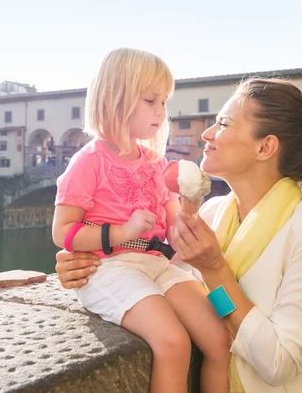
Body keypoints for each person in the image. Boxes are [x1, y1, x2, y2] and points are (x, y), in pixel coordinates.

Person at [55, 78, 302, 393]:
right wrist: (85, 265)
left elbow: (279, 362)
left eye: (223, 123)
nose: (207, 133)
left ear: (265, 147)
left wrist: (214, 270)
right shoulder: (210, 215)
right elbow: (175, 286)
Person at [52, 48, 231, 393]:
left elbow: (174, 227)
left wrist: (190, 209)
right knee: (174, 342)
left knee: (220, 337)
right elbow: (63, 232)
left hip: (159, 266)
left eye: (164, 102)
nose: (162, 112)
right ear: (116, 99)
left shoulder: (155, 162)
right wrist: (124, 230)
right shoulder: (88, 161)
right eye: (151, 100)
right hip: (109, 268)